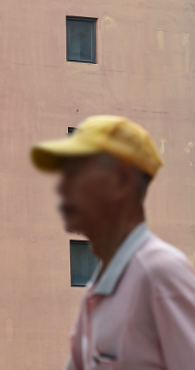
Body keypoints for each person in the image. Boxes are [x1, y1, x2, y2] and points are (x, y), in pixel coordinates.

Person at [31, 115, 195, 370]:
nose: (61, 187)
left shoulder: (160, 273)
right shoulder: (96, 289)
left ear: (120, 181)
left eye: (75, 174)